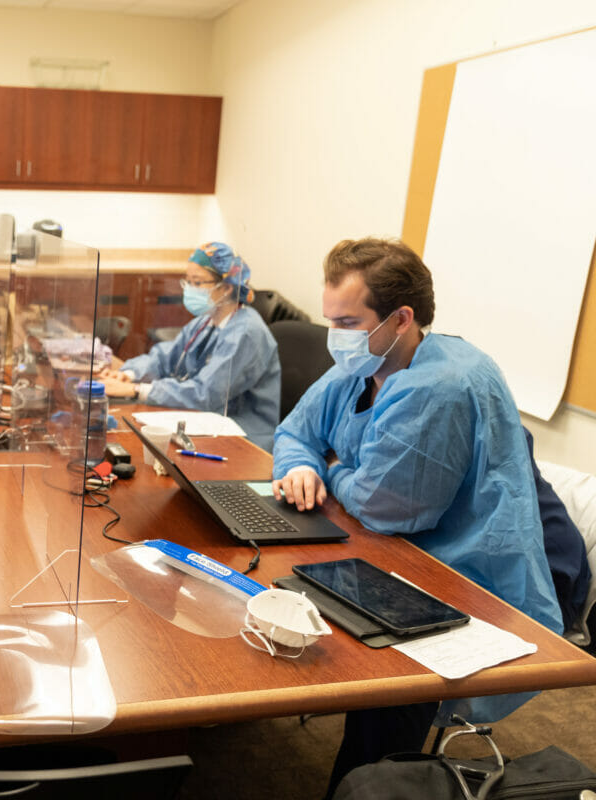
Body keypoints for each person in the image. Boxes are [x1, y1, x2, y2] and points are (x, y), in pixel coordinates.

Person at [269, 237, 563, 797]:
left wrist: (329, 470)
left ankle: (373, 782)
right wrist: (305, 463)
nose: (337, 336)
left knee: (383, 703)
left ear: (401, 318)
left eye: (348, 321)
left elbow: (382, 509)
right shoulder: (366, 362)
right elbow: (294, 431)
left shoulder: (439, 385)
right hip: (389, 554)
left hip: (464, 582)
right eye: (331, 319)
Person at [98, 242, 281, 442]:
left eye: (197, 283)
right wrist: (128, 374)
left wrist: (136, 389)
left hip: (244, 436)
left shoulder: (246, 333)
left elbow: (206, 394)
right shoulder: (205, 321)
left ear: (227, 288)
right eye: (187, 282)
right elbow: (164, 358)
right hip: (204, 421)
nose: (190, 289)